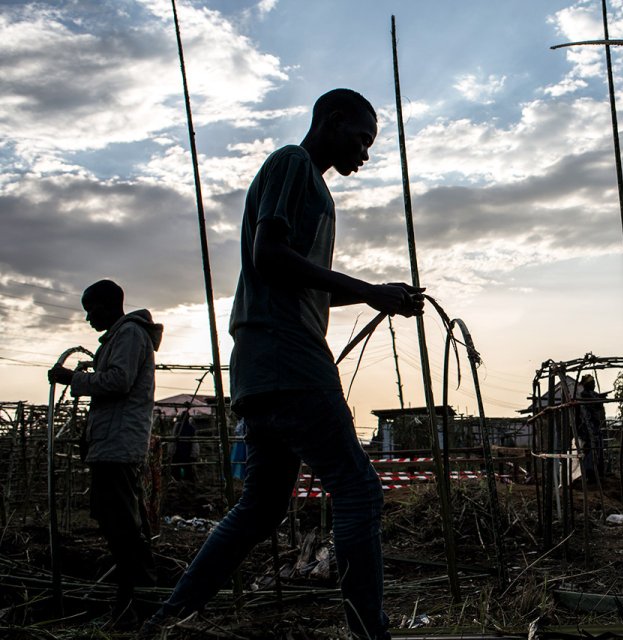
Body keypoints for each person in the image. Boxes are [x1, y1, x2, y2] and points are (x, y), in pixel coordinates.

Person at [139, 89, 422, 640]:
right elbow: (267, 257)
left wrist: (373, 296)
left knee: (262, 506)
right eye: (360, 139)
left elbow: (293, 279)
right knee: (358, 488)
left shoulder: (312, 188)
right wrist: (369, 289)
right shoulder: (294, 164)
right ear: (332, 120)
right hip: (289, 358)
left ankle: (167, 620)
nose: (364, 154)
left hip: (259, 364)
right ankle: (370, 632)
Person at [48, 279, 162, 629]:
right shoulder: (122, 336)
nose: (87, 318)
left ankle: (138, 603)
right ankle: (137, 600)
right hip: (112, 444)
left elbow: (118, 381)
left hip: (118, 446)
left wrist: (72, 379)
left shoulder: (128, 335)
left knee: (122, 527)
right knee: (119, 525)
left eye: (91, 309)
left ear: (109, 305)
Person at [576, 374, 606, 483]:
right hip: (587, 427)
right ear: (587, 385)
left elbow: (598, 405)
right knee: (589, 449)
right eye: (592, 383)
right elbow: (595, 403)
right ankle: (589, 473)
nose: (594, 385)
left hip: (595, 427)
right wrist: (599, 399)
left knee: (597, 449)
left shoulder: (592, 394)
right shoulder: (584, 395)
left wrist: (600, 399)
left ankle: (595, 472)